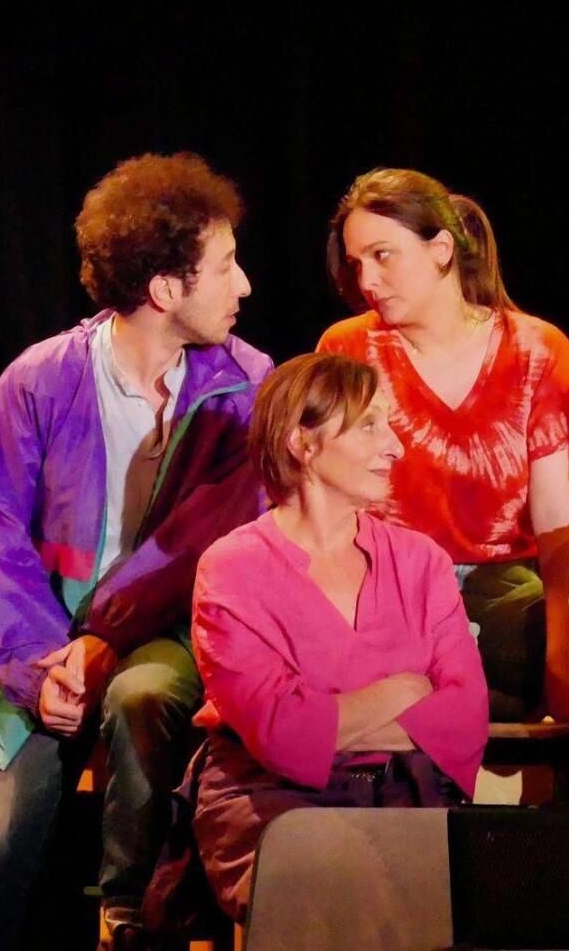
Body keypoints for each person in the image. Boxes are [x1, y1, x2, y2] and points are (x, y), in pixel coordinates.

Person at [0, 152, 272, 950]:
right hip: (41, 647)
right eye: (225, 265)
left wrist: (105, 639)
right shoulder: (41, 381)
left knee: (142, 706)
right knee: (2, 846)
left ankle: (128, 923)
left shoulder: (244, 388)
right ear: (165, 289)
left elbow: (194, 547)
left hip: (164, 633)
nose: (245, 285)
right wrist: (37, 665)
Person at [183, 352, 487, 921]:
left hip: (406, 792)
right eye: (369, 425)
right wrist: (406, 693)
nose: (395, 446)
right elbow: (279, 733)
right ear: (303, 442)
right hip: (273, 801)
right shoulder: (232, 568)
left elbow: (465, 718)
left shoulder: (420, 561)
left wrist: (328, 717)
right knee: (335, 882)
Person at [318, 167, 569, 722]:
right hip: (385, 587)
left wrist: (562, 663)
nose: (367, 280)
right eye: (356, 264)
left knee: (553, 648)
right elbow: (327, 503)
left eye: (382, 255)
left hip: (501, 589)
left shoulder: (536, 350)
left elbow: (557, 525)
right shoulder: (348, 348)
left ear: (442, 250)